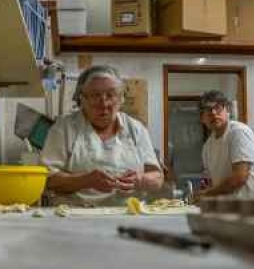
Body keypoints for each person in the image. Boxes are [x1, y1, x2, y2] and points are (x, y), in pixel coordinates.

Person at [41, 65, 163, 206]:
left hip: (129, 216)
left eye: (110, 95)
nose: (104, 103)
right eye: (95, 95)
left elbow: (157, 178)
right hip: (76, 217)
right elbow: (47, 179)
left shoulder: (136, 129)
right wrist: (85, 180)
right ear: (82, 99)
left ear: (121, 99)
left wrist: (140, 180)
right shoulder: (64, 128)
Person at [196, 90, 254, 199]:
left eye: (218, 108)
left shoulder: (238, 132)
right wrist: (205, 189)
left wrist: (207, 194)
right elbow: (210, 182)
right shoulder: (207, 147)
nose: (213, 113)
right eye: (208, 110)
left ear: (227, 111)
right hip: (233, 207)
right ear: (202, 118)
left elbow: (240, 177)